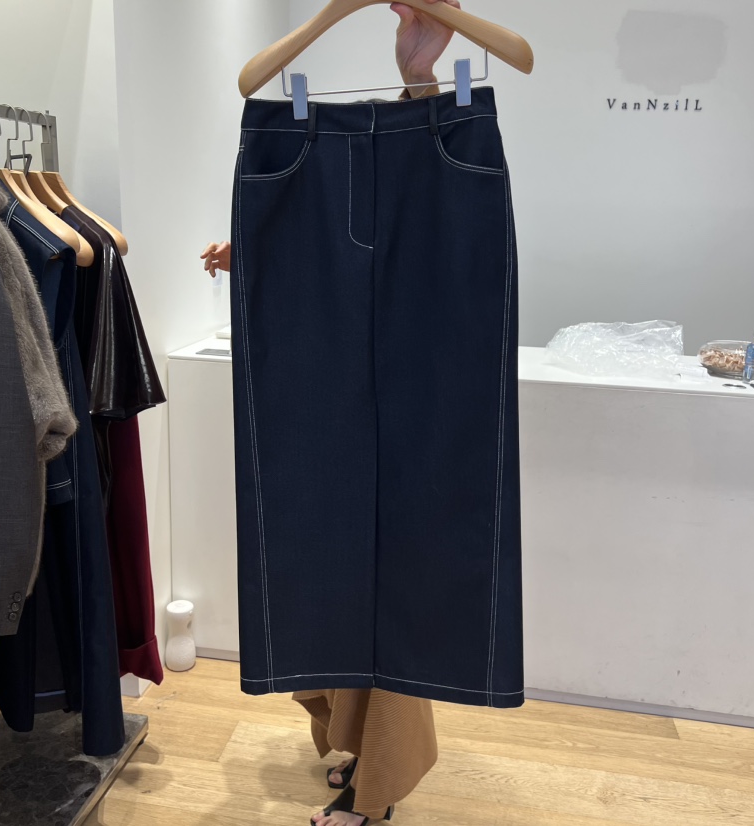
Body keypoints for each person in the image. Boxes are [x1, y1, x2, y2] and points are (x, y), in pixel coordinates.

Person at [202, 2, 461, 823]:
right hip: (333, 371)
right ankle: (356, 745)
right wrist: (266, 255)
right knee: (328, 559)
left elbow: (427, 223)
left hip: (406, 371)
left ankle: (373, 790)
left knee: (393, 569)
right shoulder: (304, 148)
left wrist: (421, 79)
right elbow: (349, 249)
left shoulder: (434, 153)